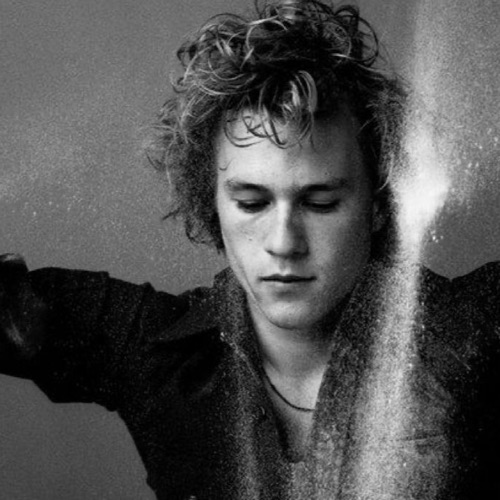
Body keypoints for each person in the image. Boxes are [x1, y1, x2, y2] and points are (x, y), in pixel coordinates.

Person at [1, 1, 499, 499]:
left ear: (379, 206)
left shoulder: (474, 334)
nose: (284, 242)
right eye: (252, 203)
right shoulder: (156, 352)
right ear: (212, 204)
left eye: (320, 203)